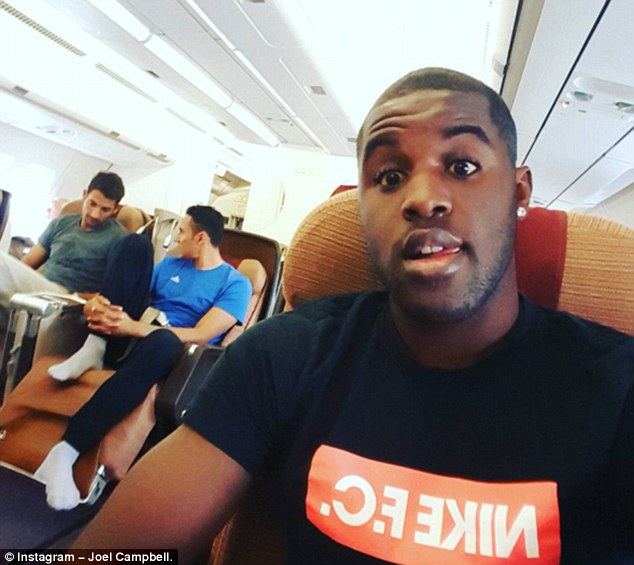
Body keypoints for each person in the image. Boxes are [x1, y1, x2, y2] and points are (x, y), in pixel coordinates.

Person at [73, 68, 634, 563]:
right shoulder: (286, 356)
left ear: (519, 191)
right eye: (388, 177)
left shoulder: (617, 389)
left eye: (462, 165)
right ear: (363, 211)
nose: (421, 198)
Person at [35, 205, 252, 511]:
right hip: (131, 338)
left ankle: (66, 451)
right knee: (135, 244)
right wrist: (97, 307)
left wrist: (132, 327)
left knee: (164, 340)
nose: (175, 238)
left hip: (173, 358)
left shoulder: (235, 283)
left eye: (181, 231)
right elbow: (129, 295)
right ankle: (94, 347)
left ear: (201, 238)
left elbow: (201, 334)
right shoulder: (171, 266)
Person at [0, 171, 130, 328]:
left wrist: (80, 298)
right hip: (41, 290)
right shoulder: (61, 223)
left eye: (105, 209)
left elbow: (112, 293)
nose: (95, 214)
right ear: (84, 195)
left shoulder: (119, 239)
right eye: (92, 204)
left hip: (70, 302)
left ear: (116, 209)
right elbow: (26, 265)